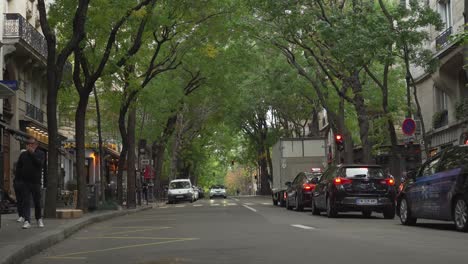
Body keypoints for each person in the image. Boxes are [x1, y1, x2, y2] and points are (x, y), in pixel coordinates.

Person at [16, 137, 45, 229]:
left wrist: (32, 154)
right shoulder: (23, 155)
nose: (29, 145)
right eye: (28, 144)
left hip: (36, 182)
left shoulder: (41, 154)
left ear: (36, 145)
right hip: (25, 182)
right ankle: (27, 221)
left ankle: (39, 218)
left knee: (37, 202)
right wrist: (18, 180)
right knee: (26, 201)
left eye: (31, 144)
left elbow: (39, 164)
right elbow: (19, 167)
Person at [13, 149, 27, 223]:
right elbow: (14, 172)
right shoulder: (16, 163)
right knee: (19, 200)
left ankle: (24, 215)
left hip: (25, 184)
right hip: (18, 183)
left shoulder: (28, 164)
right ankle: (21, 215)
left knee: (24, 200)